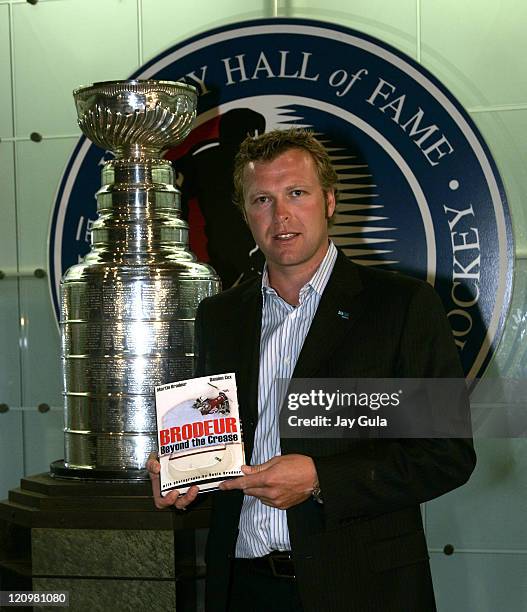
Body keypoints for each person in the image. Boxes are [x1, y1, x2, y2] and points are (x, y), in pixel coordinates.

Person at [148, 128, 476, 612]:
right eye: (262, 199)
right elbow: (212, 441)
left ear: (328, 201)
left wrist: (320, 477)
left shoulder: (402, 306)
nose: (280, 215)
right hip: (242, 587)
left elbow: (446, 455)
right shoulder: (219, 316)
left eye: (296, 193)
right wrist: (179, 475)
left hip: (360, 588)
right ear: (245, 214)